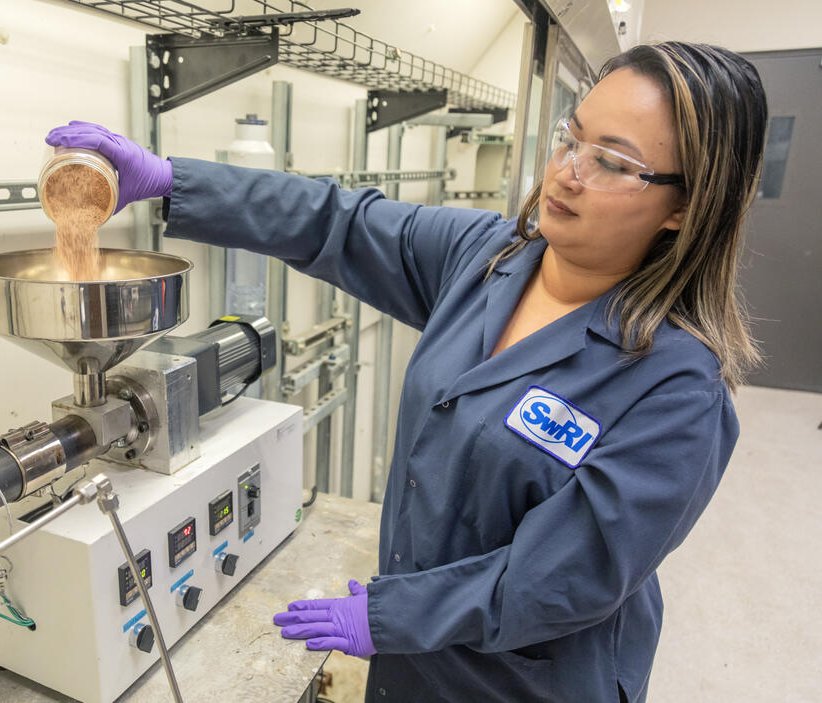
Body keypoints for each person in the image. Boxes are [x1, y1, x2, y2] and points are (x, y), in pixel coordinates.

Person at [46, 41, 767, 703]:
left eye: (611, 160)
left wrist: (387, 614)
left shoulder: (679, 388)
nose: (565, 173)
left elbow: (562, 577)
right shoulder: (488, 258)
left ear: (685, 206)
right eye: (570, 137)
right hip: (414, 663)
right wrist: (173, 181)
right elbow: (338, 223)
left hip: (523, 682)